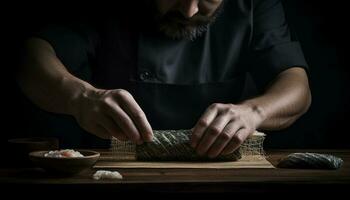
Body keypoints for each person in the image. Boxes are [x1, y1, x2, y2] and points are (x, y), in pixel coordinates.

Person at [17, 0, 311, 158]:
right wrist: (79, 97)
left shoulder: (255, 4)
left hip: (219, 175)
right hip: (114, 172)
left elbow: (297, 85)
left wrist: (254, 112)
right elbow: (29, 57)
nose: (190, 10)